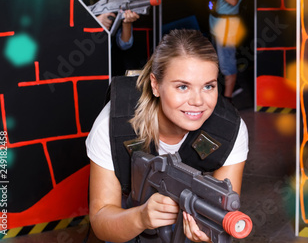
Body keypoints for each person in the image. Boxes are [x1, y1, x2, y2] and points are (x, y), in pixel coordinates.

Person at [85, 29, 249, 242]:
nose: (198, 101)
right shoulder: (114, 124)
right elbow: (101, 219)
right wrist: (141, 217)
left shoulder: (229, 129)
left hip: (187, 215)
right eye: (183, 86)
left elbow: (224, 211)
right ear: (155, 85)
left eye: (208, 86)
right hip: (128, 214)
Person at [194, 0, 246, 101]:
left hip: (227, 26)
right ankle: (232, 87)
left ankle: (228, 99)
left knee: (226, 63)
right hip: (215, 23)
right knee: (218, 60)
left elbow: (232, 0)